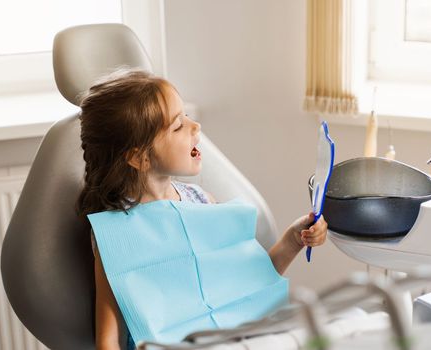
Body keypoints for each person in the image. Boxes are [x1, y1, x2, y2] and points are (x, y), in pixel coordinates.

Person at [76, 70, 328, 350]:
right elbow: (108, 340)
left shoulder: (201, 201)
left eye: (186, 116)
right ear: (139, 157)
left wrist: (293, 240)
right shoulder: (117, 236)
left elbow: (250, 284)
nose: (195, 126)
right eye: (177, 126)